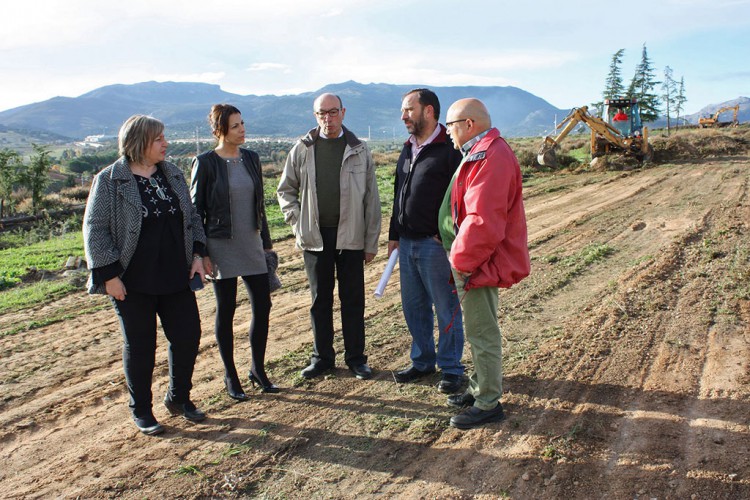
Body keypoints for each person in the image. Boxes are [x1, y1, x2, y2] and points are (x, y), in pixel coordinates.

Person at [83, 114, 208, 436]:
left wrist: (197, 255)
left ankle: (179, 398)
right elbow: (95, 230)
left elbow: (192, 218)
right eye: (159, 139)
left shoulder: (173, 174)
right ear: (140, 142)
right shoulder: (110, 180)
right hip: (132, 281)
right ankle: (141, 410)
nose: (166, 143)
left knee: (187, 337)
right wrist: (109, 274)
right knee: (140, 346)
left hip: (175, 275)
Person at [438, 99, 530, 430]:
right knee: (477, 328)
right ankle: (479, 388)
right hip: (477, 259)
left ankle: (488, 401)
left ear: (469, 124)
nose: (447, 132)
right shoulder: (484, 152)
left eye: (450, 125)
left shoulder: (492, 156)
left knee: (481, 331)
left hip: (479, 262)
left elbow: (483, 220)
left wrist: (462, 261)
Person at [277, 93, 381, 380]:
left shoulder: (359, 149)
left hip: (351, 236)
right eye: (322, 113)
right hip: (315, 237)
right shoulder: (302, 149)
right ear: (315, 116)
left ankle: (357, 359)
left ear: (343, 113)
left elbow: (371, 199)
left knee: (353, 300)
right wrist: (298, 224)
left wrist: (370, 242)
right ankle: (322, 358)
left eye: (333, 112)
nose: (328, 118)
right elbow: (285, 190)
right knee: (319, 300)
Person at [190, 104, 279, 400]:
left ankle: (258, 369)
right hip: (221, 246)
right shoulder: (205, 163)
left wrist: (266, 244)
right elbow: (195, 213)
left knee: (262, 307)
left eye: (243, 123)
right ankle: (231, 376)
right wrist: (201, 252)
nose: (243, 130)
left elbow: (260, 205)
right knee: (226, 311)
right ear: (220, 131)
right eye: (236, 126)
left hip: (251, 243)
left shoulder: (251, 158)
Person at [389, 88, 465, 394]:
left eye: (409, 109)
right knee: (414, 308)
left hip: (435, 246)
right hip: (406, 244)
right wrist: (394, 234)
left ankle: (451, 368)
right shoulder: (408, 148)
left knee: (446, 309)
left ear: (429, 111)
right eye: (404, 110)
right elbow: (398, 193)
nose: (404, 115)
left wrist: (448, 233)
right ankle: (422, 362)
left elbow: (463, 194)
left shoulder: (450, 148)